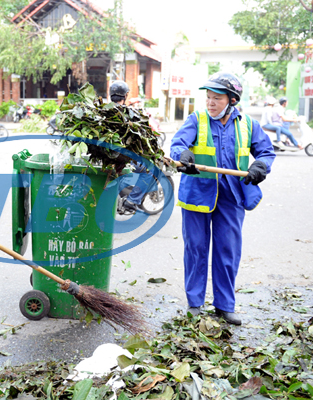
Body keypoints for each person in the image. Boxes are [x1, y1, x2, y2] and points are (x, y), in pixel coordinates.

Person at [170, 72, 275, 325]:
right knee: (195, 249)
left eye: (216, 98)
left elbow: (266, 151)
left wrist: (260, 165)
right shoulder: (197, 119)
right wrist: (184, 155)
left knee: (227, 251)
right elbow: (177, 144)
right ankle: (195, 304)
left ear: (232, 100)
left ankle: (224, 306)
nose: (210, 103)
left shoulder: (249, 124)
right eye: (208, 97)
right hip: (197, 194)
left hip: (231, 196)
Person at [110, 80, 156, 214]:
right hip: (120, 158)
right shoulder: (128, 114)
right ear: (125, 96)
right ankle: (132, 201)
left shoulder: (101, 111)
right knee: (150, 170)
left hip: (103, 156)